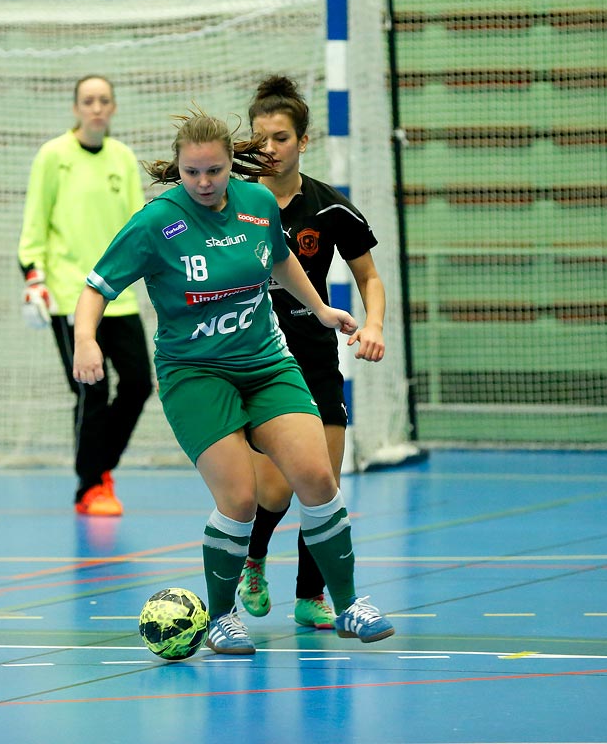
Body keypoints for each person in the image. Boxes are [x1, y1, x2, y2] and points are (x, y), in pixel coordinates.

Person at [71, 107, 394, 654]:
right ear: (179, 168)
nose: (204, 182)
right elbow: (96, 288)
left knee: (317, 476)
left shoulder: (258, 204)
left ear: (230, 167)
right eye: (193, 172)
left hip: (266, 362)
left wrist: (319, 308)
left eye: (214, 171)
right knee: (241, 498)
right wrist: (85, 341)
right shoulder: (157, 222)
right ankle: (221, 616)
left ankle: (349, 606)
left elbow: (280, 260)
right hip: (195, 374)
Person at [235, 75, 387, 631]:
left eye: (279, 138)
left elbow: (369, 277)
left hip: (317, 354)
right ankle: (253, 561)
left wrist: (373, 325)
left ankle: (309, 595)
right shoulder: (232, 202)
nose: (268, 149)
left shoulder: (329, 209)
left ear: (303, 140)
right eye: (258, 139)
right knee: (274, 486)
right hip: (257, 355)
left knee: (325, 482)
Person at [18, 75, 152, 517]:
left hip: (120, 296)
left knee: (137, 384)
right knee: (92, 389)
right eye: (87, 101)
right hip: (68, 295)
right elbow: (35, 221)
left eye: (104, 100)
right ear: (76, 108)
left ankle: (100, 466)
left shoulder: (123, 158)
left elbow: (139, 225)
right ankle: (90, 485)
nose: (96, 108)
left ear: (113, 108)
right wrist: (33, 277)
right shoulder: (53, 156)